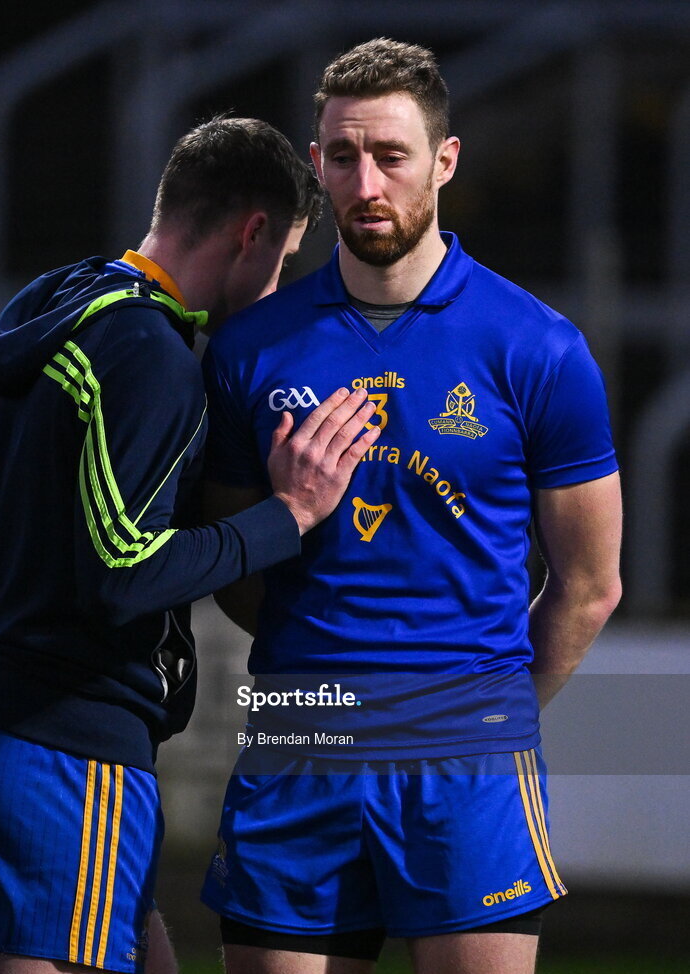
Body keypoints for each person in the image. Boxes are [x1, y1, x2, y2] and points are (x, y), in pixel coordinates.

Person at [0, 116, 382, 974]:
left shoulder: (51, 303)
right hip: (61, 744)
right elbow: (123, 574)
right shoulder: (150, 357)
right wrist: (291, 513)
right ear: (251, 232)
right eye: (280, 261)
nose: (276, 290)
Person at [199, 39, 623, 974]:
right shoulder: (250, 351)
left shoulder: (538, 348)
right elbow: (230, 559)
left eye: (391, 155)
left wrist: (488, 706)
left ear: (444, 159)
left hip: (465, 753)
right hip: (300, 734)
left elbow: (589, 586)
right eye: (342, 157)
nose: (366, 182)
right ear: (315, 165)